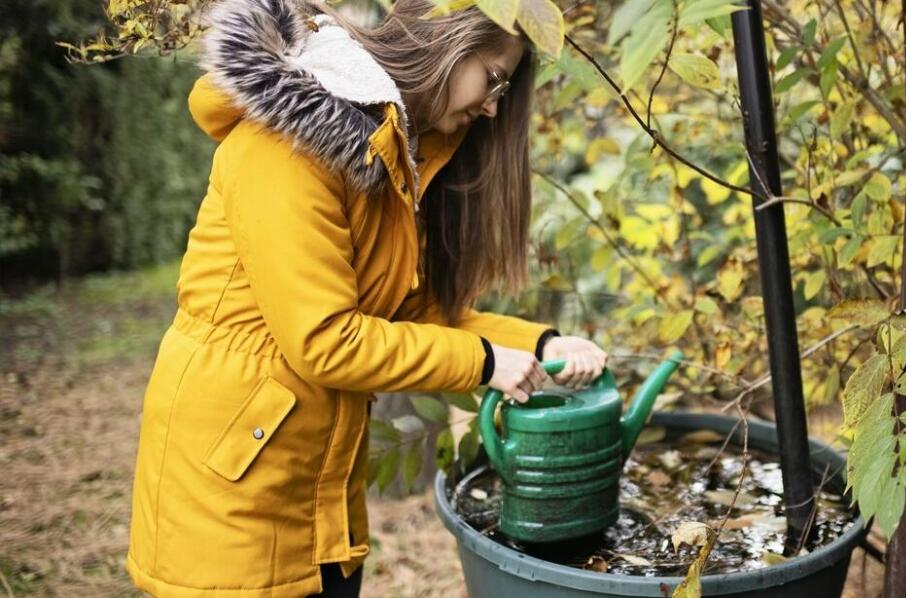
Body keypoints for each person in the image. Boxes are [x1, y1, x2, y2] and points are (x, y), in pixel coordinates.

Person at [124, 0, 607, 595]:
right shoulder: (288, 145)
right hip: (234, 477)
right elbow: (326, 340)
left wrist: (538, 343)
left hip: (312, 476)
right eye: (495, 79)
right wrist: (485, 362)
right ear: (447, 42)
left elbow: (408, 314)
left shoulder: (388, 150)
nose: (492, 106)